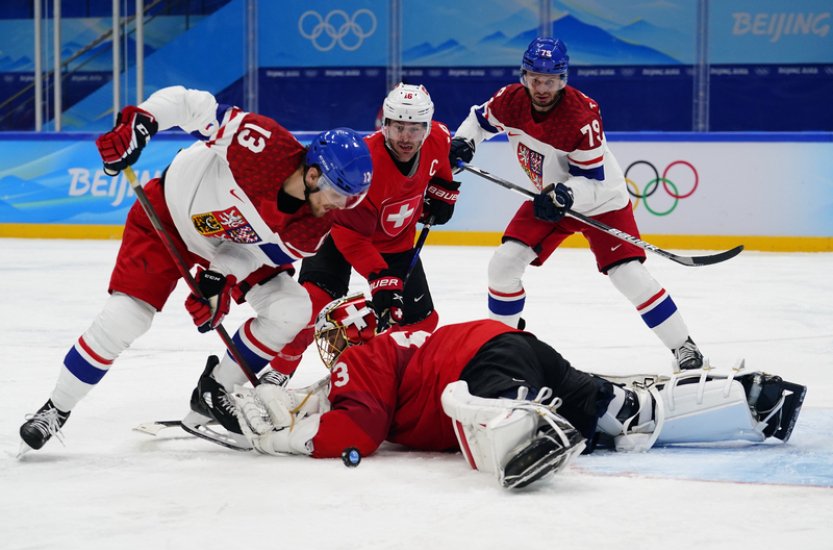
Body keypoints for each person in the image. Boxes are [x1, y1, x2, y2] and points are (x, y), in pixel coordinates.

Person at [18, 86, 373, 454]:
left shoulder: (315, 224)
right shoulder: (263, 145)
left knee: (293, 308)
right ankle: (55, 409)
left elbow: (257, 254)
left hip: (225, 246)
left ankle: (214, 393)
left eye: (351, 199)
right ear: (314, 174)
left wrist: (219, 277)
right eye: (338, 193)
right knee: (127, 319)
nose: (341, 206)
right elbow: (190, 105)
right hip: (167, 217)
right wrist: (141, 123)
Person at [227, 294, 806, 489]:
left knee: (473, 412)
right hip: (515, 346)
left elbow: (359, 431)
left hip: (485, 365)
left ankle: (524, 422)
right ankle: (749, 401)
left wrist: (279, 441)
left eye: (334, 337)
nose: (330, 348)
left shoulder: (363, 357)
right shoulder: (398, 345)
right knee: (621, 415)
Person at [448, 37, 705, 371]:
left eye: (550, 80)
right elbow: (479, 121)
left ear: (563, 79)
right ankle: (504, 343)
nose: (542, 87)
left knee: (628, 275)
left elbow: (593, 181)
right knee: (504, 264)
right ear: (524, 76)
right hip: (551, 199)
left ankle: (683, 346)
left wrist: (565, 196)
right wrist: (463, 142)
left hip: (599, 199)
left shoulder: (580, 117)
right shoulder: (510, 100)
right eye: (535, 79)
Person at [266, 83, 458, 381]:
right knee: (311, 303)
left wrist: (443, 191)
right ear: (385, 126)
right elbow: (350, 235)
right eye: (398, 128)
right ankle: (276, 376)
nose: (406, 138)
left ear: (427, 128)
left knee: (421, 322)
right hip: (340, 233)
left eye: (415, 130)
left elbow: (440, 162)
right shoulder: (363, 163)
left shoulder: (439, 137)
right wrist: (381, 280)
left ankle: (373, 368)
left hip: (395, 242)